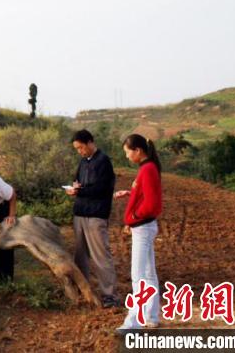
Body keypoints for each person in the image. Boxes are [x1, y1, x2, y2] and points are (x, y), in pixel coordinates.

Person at [115, 134, 163, 331]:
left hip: (143, 227)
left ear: (138, 151)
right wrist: (131, 193)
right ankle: (151, 315)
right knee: (148, 273)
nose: (127, 156)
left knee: (138, 275)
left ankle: (133, 322)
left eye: (128, 152)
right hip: (143, 226)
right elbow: (146, 195)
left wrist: (134, 216)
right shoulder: (147, 168)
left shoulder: (148, 169)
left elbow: (152, 204)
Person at [66, 129, 119, 308]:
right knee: (80, 255)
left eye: (81, 147)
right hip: (80, 213)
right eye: (77, 149)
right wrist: (75, 187)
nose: (80, 151)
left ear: (90, 142)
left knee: (100, 256)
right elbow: (77, 180)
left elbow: (102, 189)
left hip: (96, 214)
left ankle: (109, 294)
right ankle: (83, 288)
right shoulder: (83, 162)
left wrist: (80, 190)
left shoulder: (103, 161)